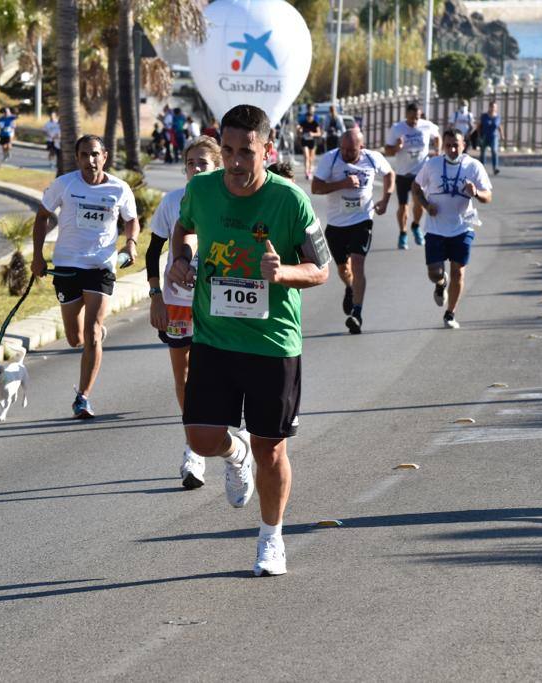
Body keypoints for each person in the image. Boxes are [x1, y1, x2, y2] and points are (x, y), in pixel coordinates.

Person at [168, 104, 330, 576]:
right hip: (215, 338)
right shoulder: (201, 189)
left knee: (272, 449)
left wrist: (284, 274)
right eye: (230, 151)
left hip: (272, 344)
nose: (236, 163)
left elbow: (321, 269)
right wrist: (180, 257)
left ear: (267, 149)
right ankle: (233, 453)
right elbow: (184, 228)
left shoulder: (290, 200)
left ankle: (271, 539)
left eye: (247, 153)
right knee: (200, 439)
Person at [31, 135, 139, 418]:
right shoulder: (65, 184)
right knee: (74, 338)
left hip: (101, 267)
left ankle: (82, 397)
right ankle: (93, 335)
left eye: (95, 154)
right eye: (84, 155)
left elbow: (131, 219)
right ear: (77, 158)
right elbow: (42, 216)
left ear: (105, 155)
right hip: (67, 266)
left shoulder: (119, 188)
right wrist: (38, 256)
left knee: (91, 331)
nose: (90, 161)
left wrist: (131, 243)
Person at [146, 135, 222, 489]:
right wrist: (155, 295)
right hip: (177, 301)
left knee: (221, 373)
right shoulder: (173, 201)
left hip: (219, 301)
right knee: (185, 376)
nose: (195, 169)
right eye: (190, 164)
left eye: (203, 163)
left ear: (217, 166)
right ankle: (193, 447)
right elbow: (152, 251)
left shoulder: (228, 200)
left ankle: (225, 435)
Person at [311, 128, 394, 334]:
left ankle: (357, 313)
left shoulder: (372, 158)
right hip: (337, 224)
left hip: (362, 219)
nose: (346, 153)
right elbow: (316, 188)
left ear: (361, 147)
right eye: (344, 149)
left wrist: (385, 199)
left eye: (351, 150)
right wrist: (342, 184)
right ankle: (350, 287)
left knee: (357, 263)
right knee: (343, 269)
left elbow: (389, 174)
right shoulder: (330, 159)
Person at [412, 128, 493, 330]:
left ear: (464, 145)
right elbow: (416, 187)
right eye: (448, 145)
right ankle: (441, 284)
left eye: (456, 145)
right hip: (436, 228)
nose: (452, 149)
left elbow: (488, 197)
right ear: (443, 146)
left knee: (459, 272)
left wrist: (476, 193)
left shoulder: (474, 166)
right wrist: (425, 205)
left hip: (463, 227)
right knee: (434, 273)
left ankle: (450, 313)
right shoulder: (432, 164)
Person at [383, 102, 440, 250]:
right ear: (406, 114)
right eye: (412, 117)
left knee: (419, 203)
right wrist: (397, 147)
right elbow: (387, 151)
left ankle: (415, 225)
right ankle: (403, 233)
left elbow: (437, 136)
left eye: (417, 117)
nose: (415, 120)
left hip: (420, 173)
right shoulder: (397, 129)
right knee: (403, 207)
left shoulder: (426, 125)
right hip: (403, 173)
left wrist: (437, 151)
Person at [475, 100, 503, 175]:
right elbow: (479, 126)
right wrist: (478, 135)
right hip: (484, 136)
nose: (493, 108)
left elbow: (499, 126)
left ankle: (495, 168)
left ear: (496, 108)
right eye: (492, 107)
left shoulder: (498, 117)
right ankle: (482, 168)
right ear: (489, 107)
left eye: (494, 107)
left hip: (494, 136)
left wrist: (502, 135)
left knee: (494, 151)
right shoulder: (484, 116)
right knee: (483, 152)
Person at [296, 107, 322, 181]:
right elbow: (298, 131)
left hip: (312, 141)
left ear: (312, 117)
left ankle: (310, 171)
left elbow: (319, 133)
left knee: (311, 158)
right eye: (308, 117)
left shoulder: (315, 123)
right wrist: (299, 131)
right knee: (306, 156)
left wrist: (312, 134)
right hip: (304, 141)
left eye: (310, 117)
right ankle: (306, 172)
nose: (309, 118)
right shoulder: (303, 123)